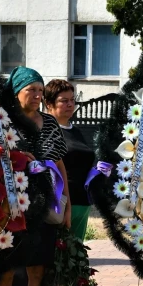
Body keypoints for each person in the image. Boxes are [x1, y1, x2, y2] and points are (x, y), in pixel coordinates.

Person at [0, 67, 70, 286]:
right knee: (6, 271)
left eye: (40, 89)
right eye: (31, 90)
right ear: (16, 92)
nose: (37, 95)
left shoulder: (49, 122)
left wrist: (67, 202)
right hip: (10, 208)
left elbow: (60, 165)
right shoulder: (3, 121)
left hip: (45, 207)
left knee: (39, 271)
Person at [44, 79, 93, 242]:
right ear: (49, 103)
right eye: (64, 101)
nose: (70, 104)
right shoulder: (45, 131)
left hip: (83, 202)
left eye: (72, 100)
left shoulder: (76, 132)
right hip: (59, 204)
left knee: (77, 253)